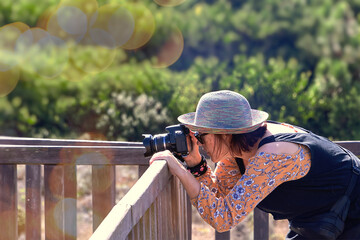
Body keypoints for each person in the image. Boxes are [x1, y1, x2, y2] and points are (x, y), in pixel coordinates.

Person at [149, 90, 360, 239]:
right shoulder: (237, 152)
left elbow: (224, 218)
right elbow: (219, 194)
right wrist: (196, 165)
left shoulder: (272, 155)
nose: (197, 141)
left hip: (353, 210)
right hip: (319, 216)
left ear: (225, 134)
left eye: (200, 134)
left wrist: (180, 171)